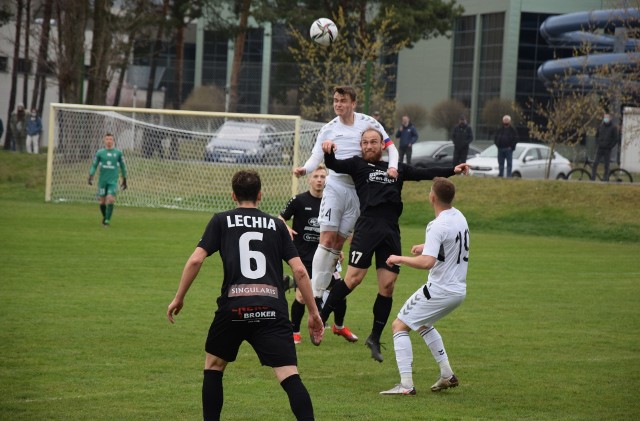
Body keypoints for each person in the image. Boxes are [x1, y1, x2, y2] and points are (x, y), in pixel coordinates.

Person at [167, 170, 324, 421]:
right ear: (260, 195)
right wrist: (314, 313)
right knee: (289, 375)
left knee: (214, 366)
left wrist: (179, 297)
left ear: (233, 195)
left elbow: (196, 259)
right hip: (271, 309)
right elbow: (300, 272)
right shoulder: (277, 224)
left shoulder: (221, 220)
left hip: (233, 309)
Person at [319, 128, 469, 363]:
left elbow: (424, 173)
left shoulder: (396, 168)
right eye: (365, 142)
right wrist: (328, 152)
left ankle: (375, 337)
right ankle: (321, 316)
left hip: (390, 231)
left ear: (383, 146)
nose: (369, 146)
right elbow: (335, 165)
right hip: (367, 227)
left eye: (374, 142)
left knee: (387, 287)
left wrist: (453, 170)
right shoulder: (358, 165)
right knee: (353, 279)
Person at [293, 86, 399, 312]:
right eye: (335, 100)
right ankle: (316, 291)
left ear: (353, 103)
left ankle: (321, 289)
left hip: (359, 191)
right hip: (336, 186)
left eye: (342, 101)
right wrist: (305, 169)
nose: (338, 104)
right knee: (327, 239)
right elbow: (316, 155)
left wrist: (392, 168)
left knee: (339, 243)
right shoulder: (329, 128)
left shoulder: (368, 123)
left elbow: (392, 149)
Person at [380, 177, 469, 395]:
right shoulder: (459, 216)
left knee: (399, 326)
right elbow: (451, 244)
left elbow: (427, 262)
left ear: (432, 197)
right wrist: (427, 246)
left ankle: (406, 386)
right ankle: (447, 374)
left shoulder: (436, 225)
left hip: (439, 290)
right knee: (421, 323)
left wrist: (398, 259)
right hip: (458, 290)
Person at [279, 164, 358, 344]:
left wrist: (339, 251)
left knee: (340, 292)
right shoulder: (298, 201)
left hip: (326, 258)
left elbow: (341, 229)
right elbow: (280, 217)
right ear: (309, 179)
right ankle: (294, 332)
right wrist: (286, 228)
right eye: (316, 176)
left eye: (323, 177)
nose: (320, 180)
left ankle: (339, 327)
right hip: (303, 258)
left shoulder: (332, 201)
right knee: (301, 296)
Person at [88, 133, 128, 227]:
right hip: (102, 181)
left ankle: (107, 221)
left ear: (113, 141)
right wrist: (91, 175)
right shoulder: (100, 153)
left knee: (110, 199)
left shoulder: (118, 153)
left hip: (113, 181)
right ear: (104, 140)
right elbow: (94, 165)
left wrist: (124, 179)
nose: (109, 141)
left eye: (111, 139)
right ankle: (105, 216)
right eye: (107, 139)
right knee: (102, 202)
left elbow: (123, 166)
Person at [591, 113, 620, 181]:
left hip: (607, 149)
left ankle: (605, 178)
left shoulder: (613, 127)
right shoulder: (600, 126)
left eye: (607, 117)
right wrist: (598, 143)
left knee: (606, 165)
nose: (605, 119)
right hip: (600, 148)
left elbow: (616, 138)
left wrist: (610, 146)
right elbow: (597, 136)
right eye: (605, 117)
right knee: (595, 163)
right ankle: (593, 177)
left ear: (610, 118)